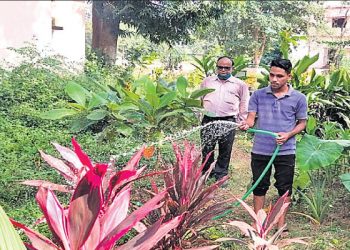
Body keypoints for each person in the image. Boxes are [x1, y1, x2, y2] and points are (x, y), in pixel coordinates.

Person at [239, 58, 307, 231]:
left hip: (285, 150)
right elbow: (251, 118)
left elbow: (302, 123)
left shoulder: (299, 98)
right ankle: (258, 221)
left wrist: (288, 134)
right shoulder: (258, 95)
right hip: (261, 149)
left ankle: (280, 222)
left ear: (289, 76)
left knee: (284, 187)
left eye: (280, 76)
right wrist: (246, 124)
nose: (274, 79)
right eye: (272, 75)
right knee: (259, 185)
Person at [200, 56, 249, 181]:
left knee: (225, 150)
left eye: (226, 68)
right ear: (216, 67)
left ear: (232, 68)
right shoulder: (207, 81)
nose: (223, 70)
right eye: (220, 67)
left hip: (228, 121)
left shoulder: (240, 84)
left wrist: (242, 120)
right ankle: (206, 174)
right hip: (209, 120)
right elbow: (200, 98)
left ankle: (220, 175)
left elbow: (244, 103)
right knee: (207, 148)